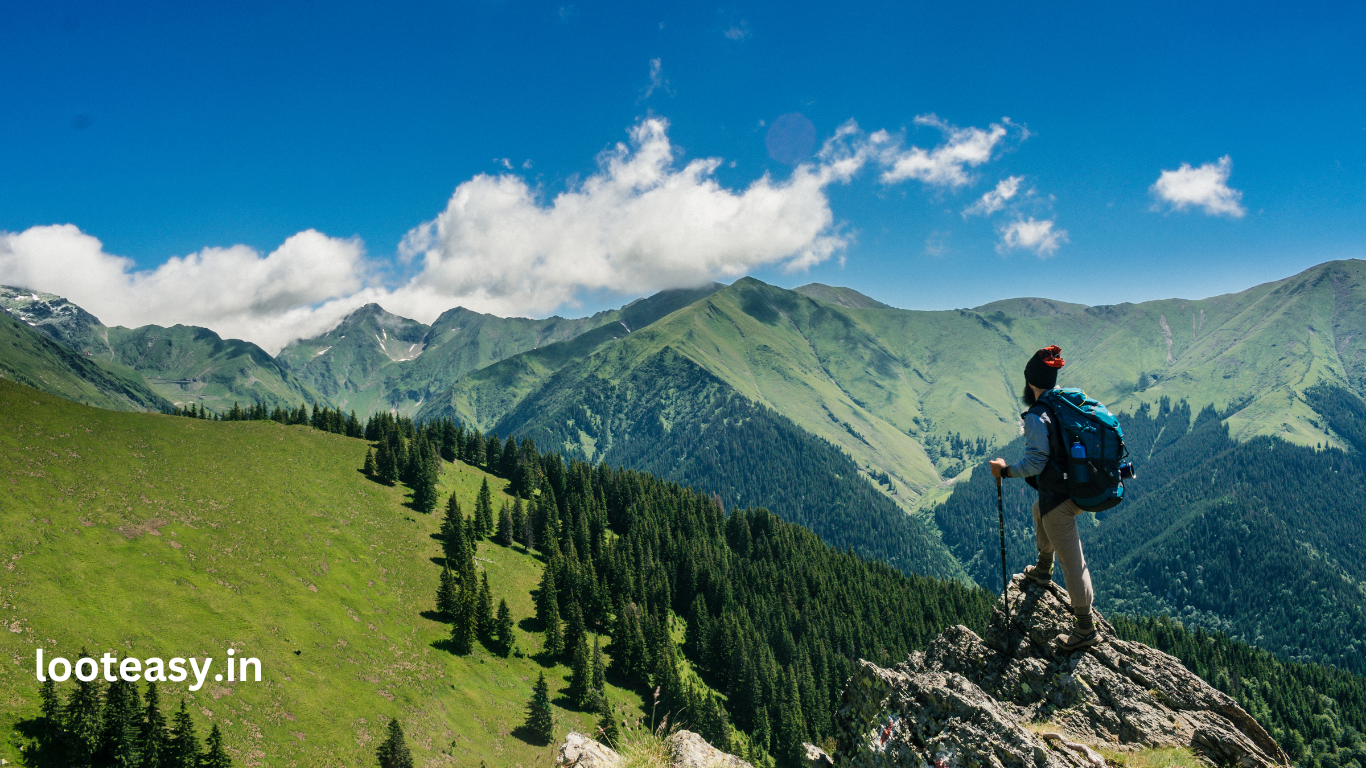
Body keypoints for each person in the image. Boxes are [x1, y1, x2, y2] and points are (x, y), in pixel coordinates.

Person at [988, 345, 1100, 651]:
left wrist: (1005, 471)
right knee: (1040, 510)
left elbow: (1035, 463)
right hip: (1080, 484)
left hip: (1062, 498)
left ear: (1030, 383)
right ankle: (1042, 570)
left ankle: (1085, 628)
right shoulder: (1065, 401)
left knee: (1073, 561)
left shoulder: (1039, 415)